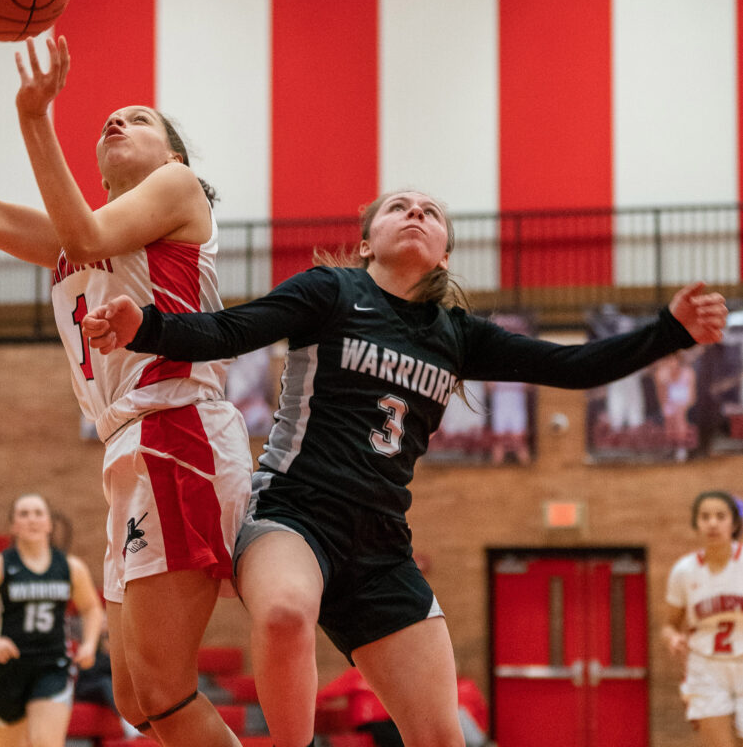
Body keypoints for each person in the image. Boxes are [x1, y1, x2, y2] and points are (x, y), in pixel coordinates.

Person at [81, 189, 728, 747]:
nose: (415, 213)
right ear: (366, 242)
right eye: (398, 207)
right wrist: (149, 327)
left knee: (440, 735)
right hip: (294, 515)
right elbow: (228, 330)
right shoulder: (329, 292)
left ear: (444, 252)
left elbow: (572, 366)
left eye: (430, 213)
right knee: (282, 614)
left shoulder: (455, 334)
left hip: (382, 547)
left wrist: (667, 332)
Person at [0, 0, 253, 747]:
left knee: (169, 695)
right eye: (109, 119)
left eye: (140, 118)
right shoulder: (78, 232)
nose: (117, 119)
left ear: (172, 154)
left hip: (177, 428)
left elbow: (84, 237)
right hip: (126, 444)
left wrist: (35, 116)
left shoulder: (177, 190)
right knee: (137, 703)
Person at [0, 493, 104, 747]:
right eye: (23, 514)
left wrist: (89, 643)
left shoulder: (70, 567)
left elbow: (90, 608)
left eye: (38, 513)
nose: (32, 519)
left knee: (46, 743)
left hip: (52, 664)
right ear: (13, 525)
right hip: (8, 667)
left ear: (49, 524)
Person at [663, 490, 743, 747]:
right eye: (705, 516)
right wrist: (673, 638)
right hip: (706, 667)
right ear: (696, 523)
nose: (712, 523)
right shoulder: (684, 571)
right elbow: (669, 625)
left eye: (720, 516)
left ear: (734, 523)